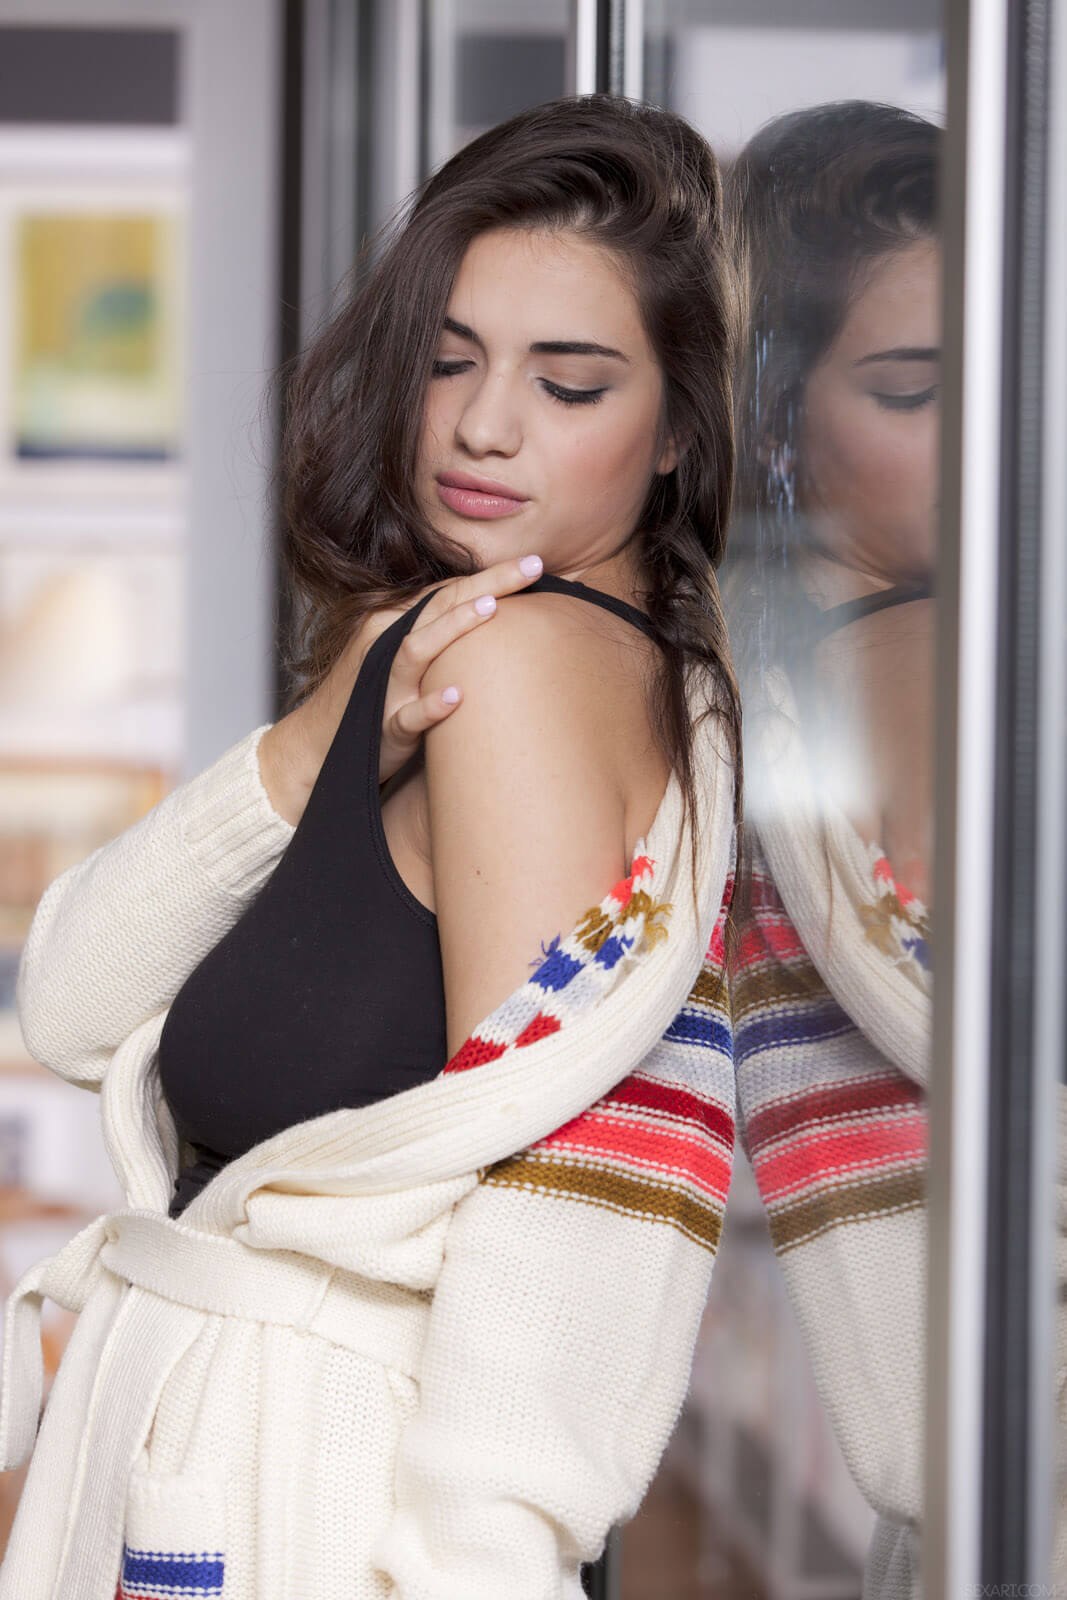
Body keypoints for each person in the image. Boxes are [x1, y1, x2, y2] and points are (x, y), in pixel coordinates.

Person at [0, 96, 739, 1598]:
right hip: (241, 1475)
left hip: (320, 1507)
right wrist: (315, 737)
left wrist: (475, 1563)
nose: (482, 425)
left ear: (677, 432)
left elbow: (573, 1202)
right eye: (451, 359)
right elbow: (69, 1005)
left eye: (570, 382)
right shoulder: (454, 660)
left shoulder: (523, 669)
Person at [720, 99, 1067, 1594]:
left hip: (969, 1469)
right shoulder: (932, 661)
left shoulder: (749, 656)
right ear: (775, 417)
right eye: (916, 392)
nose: (986, 438)